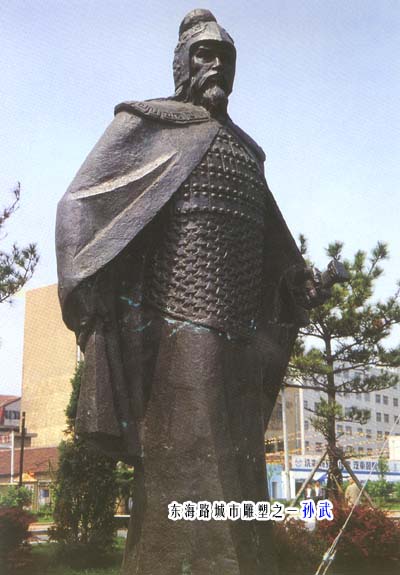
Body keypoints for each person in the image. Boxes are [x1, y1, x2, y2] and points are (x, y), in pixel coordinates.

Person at [56, 9, 331, 575]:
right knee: (193, 458)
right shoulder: (148, 124)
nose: (216, 66)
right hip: (182, 328)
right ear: (182, 63)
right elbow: (79, 205)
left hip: (240, 335)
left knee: (239, 462)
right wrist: (90, 284)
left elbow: (273, 242)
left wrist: (298, 280)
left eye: (225, 58)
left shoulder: (245, 152)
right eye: (205, 54)